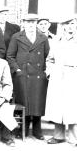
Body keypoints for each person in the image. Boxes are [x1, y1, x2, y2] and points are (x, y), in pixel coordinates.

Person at [6, 13, 50, 140]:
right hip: (22, 75)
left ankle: (37, 130)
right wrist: (17, 70)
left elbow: (47, 55)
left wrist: (44, 71)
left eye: (32, 22)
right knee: (24, 102)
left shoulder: (43, 37)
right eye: (28, 22)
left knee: (38, 103)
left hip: (38, 75)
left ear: (36, 23)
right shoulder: (16, 37)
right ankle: (23, 129)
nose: (30, 25)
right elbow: (10, 56)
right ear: (23, 23)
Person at [45, 16, 77, 145]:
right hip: (58, 77)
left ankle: (74, 138)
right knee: (58, 106)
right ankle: (58, 136)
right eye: (67, 24)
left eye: (73, 24)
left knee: (73, 107)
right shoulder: (57, 41)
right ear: (63, 26)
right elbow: (50, 59)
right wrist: (51, 72)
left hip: (74, 76)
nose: (70, 26)